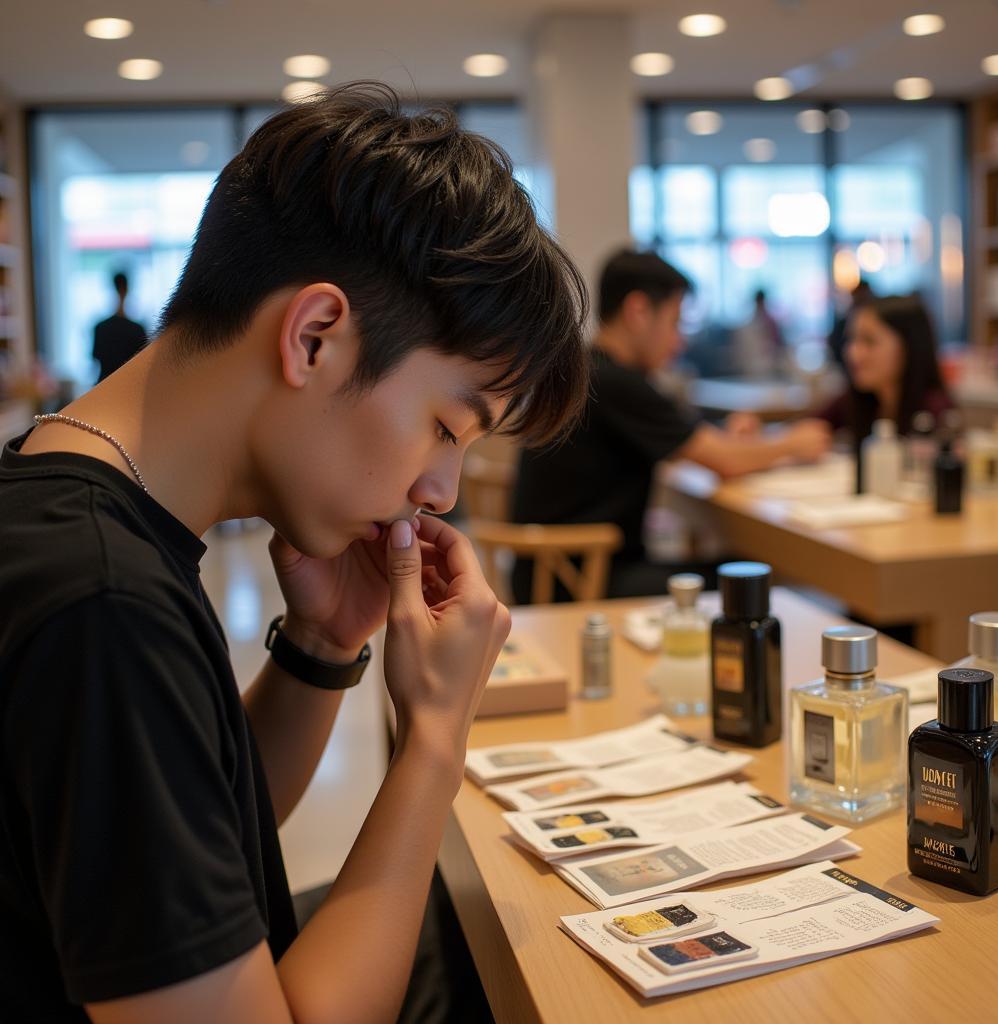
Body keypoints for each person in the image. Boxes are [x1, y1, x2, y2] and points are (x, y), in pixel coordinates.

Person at [0, 84, 588, 1023]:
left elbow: (187, 850)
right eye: (445, 426)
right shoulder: (102, 602)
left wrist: (322, 645)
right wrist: (435, 740)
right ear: (315, 337)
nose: (442, 491)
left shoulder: (66, 495)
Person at [511, 249, 831, 602]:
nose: (680, 340)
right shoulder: (614, 382)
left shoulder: (588, 369)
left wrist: (729, 439)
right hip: (582, 579)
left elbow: (692, 444)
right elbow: (724, 461)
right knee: (750, 576)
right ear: (638, 311)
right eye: (675, 322)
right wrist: (792, 444)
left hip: (559, 568)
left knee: (735, 570)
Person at [816, 293, 955, 446]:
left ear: (909, 347)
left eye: (869, 341)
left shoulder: (937, 414)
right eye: (851, 339)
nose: (853, 353)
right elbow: (809, 427)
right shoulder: (856, 400)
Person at [91, 271, 149, 382]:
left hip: (105, 385)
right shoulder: (137, 329)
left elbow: (96, 359)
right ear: (127, 289)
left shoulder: (101, 328)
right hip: (128, 386)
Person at [732, 288, 785, 377]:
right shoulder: (751, 323)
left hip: (767, 363)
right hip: (756, 364)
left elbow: (776, 342)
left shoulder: (769, 321)